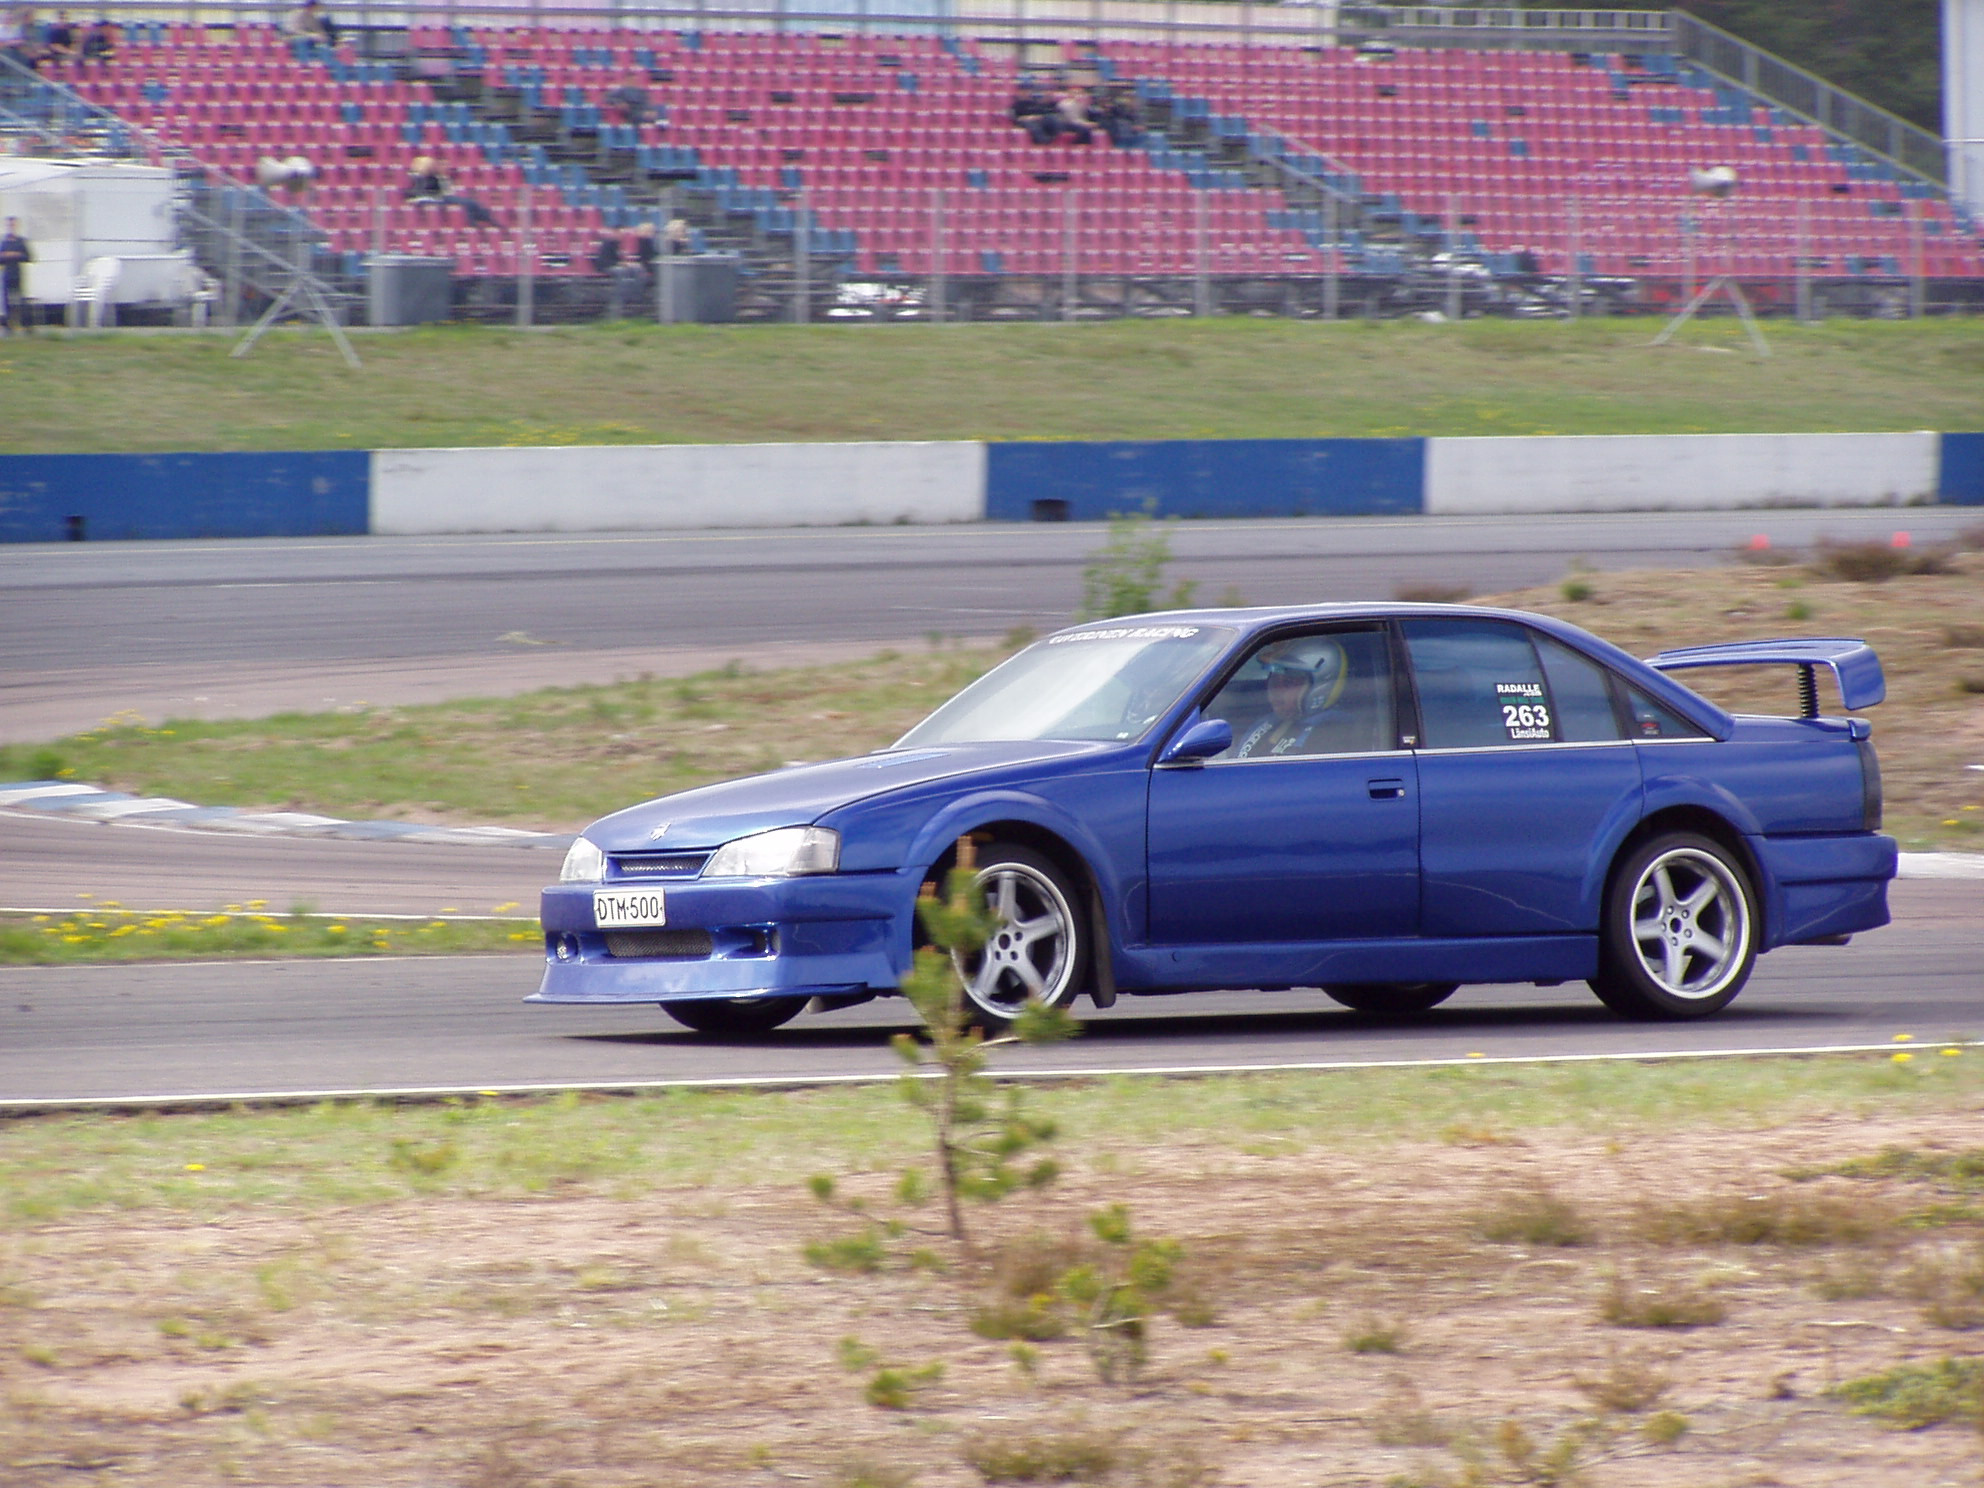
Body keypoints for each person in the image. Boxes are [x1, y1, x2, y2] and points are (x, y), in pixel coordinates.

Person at [1232, 641, 1352, 758]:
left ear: (1319, 688)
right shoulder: (1268, 723)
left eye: (1288, 683)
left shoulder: (1334, 732)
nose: (1276, 690)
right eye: (1274, 680)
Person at [406, 154, 497, 227]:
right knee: (464, 205)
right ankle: (475, 223)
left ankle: (487, 219)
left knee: (471, 202)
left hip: (440, 197)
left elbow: (443, 190)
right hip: (429, 199)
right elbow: (419, 193)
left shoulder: (436, 177)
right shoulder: (417, 178)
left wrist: (441, 178)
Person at [0, 216, 33, 335]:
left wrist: (15, 254)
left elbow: (29, 257)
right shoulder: (4, 242)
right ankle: (9, 326)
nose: (11, 227)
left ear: (17, 226)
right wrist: (5, 256)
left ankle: (26, 325)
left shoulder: (21, 241)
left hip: (18, 274)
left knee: (21, 300)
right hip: (7, 274)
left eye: (13, 224)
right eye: (9, 225)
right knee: (7, 302)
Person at [1011, 77, 1057, 146]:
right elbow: (1017, 118)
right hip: (1025, 121)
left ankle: (1058, 137)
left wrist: (1039, 117)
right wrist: (1029, 117)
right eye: (1023, 91)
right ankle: (1043, 141)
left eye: (1027, 91)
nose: (1026, 93)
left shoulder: (1034, 102)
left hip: (1038, 119)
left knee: (1051, 118)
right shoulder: (1016, 104)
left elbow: (1042, 113)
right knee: (1031, 124)